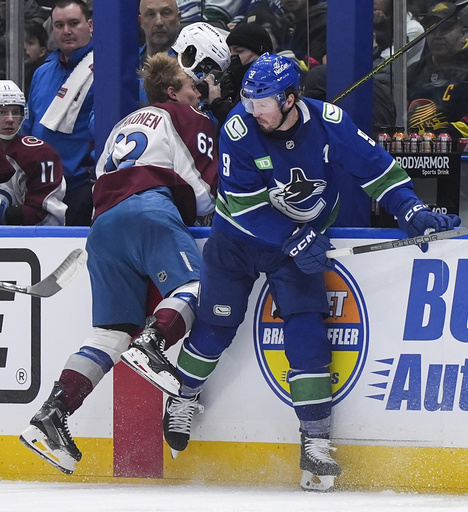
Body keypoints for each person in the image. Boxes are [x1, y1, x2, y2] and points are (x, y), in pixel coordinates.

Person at [133, 53, 461, 492]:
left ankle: (316, 440)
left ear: (291, 98)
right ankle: (183, 396)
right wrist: (296, 239)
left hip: (296, 243)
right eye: (248, 100)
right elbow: (245, 206)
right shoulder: (238, 128)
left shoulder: (329, 122)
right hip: (237, 241)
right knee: (217, 325)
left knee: (307, 327)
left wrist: (411, 207)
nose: (253, 110)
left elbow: (376, 168)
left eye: (263, 102)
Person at [19, 52, 218, 474]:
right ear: (172, 93)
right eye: (190, 86)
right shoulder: (185, 117)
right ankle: (154, 344)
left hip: (104, 227)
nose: (196, 92)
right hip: (149, 211)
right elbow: (203, 190)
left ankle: (52, 415)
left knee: (111, 334)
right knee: (197, 287)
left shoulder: (121, 125)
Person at [22, 0, 94, 226]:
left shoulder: (106, 69)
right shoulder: (41, 72)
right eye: (59, 25)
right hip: (38, 189)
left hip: (81, 189)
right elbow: (28, 127)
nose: (67, 31)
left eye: (74, 23)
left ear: (90, 25)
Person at [0, 80, 66, 225]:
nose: (10, 119)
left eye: (15, 112)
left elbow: (49, 219)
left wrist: (13, 216)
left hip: (29, 240)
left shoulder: (39, 154)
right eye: (2, 112)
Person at [407, 1, 468, 140]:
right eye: (432, 29)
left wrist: (441, 136)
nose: (437, 35)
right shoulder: (415, 70)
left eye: (445, 28)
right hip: (415, 152)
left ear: (464, 35)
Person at [200, 21, 273, 128]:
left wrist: (216, 102)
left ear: (260, 55)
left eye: (239, 51)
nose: (232, 56)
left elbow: (242, 123)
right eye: (229, 51)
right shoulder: (231, 76)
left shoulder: (266, 81)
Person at [24, 21, 49, 99]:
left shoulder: (45, 76)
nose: (24, 47)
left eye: (30, 43)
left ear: (42, 51)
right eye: (19, 41)